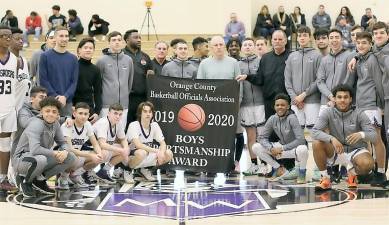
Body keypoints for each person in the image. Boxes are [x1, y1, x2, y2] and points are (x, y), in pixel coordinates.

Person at [312, 84, 376, 191]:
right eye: (339, 97)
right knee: (316, 143)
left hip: (355, 150)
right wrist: (331, 139)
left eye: (346, 97)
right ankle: (325, 178)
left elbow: (373, 134)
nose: (342, 100)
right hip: (336, 150)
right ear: (335, 99)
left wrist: (361, 134)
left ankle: (352, 175)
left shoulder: (359, 113)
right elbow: (314, 131)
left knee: (367, 164)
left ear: (351, 99)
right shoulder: (328, 112)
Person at [13, 97, 77, 197]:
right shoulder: (36, 123)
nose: (50, 114)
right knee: (41, 159)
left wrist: (64, 151)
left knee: (70, 157)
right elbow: (35, 149)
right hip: (22, 159)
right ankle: (25, 181)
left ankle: (39, 180)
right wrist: (55, 153)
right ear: (41, 112)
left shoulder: (55, 124)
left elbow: (63, 142)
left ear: (57, 114)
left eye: (54, 112)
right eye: (47, 111)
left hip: (38, 158)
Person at [197, 36, 243, 173]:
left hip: (231, 106)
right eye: (215, 45)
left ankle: (235, 163)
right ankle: (211, 163)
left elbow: (238, 84)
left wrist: (237, 103)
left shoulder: (234, 62)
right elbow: (200, 86)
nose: (218, 47)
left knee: (237, 134)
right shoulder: (204, 64)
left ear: (225, 47)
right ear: (211, 47)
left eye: (221, 44)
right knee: (212, 136)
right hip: (211, 107)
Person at [352, 31, 386, 187]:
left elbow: (379, 85)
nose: (360, 45)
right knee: (367, 141)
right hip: (361, 105)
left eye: (364, 43)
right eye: (358, 43)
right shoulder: (360, 59)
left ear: (370, 44)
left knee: (376, 140)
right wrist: (356, 56)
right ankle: (370, 172)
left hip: (372, 106)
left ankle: (380, 173)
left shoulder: (372, 59)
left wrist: (382, 106)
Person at [253, 93, 308, 183]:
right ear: (274, 107)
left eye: (283, 105)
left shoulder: (292, 118)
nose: (280, 107)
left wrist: (282, 148)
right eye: (277, 105)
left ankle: (302, 173)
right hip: (280, 150)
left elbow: (301, 139)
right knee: (255, 147)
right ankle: (278, 168)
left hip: (293, 150)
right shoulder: (272, 118)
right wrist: (271, 149)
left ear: (288, 106)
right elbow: (262, 137)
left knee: (303, 148)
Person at [236, 30, 289, 120]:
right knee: (271, 131)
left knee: (287, 130)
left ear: (285, 41)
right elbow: (260, 79)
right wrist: (247, 76)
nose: (277, 41)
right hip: (270, 102)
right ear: (271, 41)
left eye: (280, 39)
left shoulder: (292, 56)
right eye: (275, 39)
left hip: (287, 100)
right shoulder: (265, 58)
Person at [59, 102, 106, 189]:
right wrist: (91, 155)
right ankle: (63, 178)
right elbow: (69, 149)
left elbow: (95, 143)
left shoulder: (87, 124)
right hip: (62, 155)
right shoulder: (67, 125)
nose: (83, 116)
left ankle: (75, 175)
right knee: (73, 156)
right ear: (74, 114)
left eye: (85, 114)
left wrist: (99, 154)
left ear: (88, 115)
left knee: (100, 156)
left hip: (77, 154)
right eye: (80, 113)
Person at [237, 38, 266, 176]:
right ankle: (254, 164)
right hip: (246, 105)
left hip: (261, 103)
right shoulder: (237, 64)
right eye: (245, 45)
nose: (248, 47)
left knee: (262, 135)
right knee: (250, 135)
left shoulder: (261, 61)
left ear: (254, 47)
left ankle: (265, 164)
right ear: (241, 48)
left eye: (250, 44)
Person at [284, 26, 321, 130]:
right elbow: (287, 80)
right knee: (296, 133)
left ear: (310, 38)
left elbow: (319, 80)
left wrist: (303, 95)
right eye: (300, 36)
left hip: (312, 101)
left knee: (314, 133)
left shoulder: (317, 55)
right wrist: (295, 98)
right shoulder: (292, 56)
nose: (302, 38)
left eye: (305, 35)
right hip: (295, 102)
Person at [127, 101, 173, 181]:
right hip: (130, 156)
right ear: (140, 113)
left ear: (152, 114)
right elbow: (138, 145)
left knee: (168, 153)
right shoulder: (134, 125)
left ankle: (145, 169)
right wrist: (156, 151)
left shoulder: (154, 125)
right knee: (142, 152)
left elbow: (163, 143)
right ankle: (127, 170)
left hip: (146, 154)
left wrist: (161, 153)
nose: (148, 114)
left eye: (150, 112)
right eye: (145, 112)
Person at [96, 31, 134, 127]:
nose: (117, 42)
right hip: (106, 106)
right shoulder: (102, 60)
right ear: (109, 43)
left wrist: (124, 95)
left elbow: (130, 82)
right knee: (105, 132)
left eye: (119, 40)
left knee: (120, 134)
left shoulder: (128, 60)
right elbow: (97, 84)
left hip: (123, 106)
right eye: (113, 40)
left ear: (123, 42)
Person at [39, 26, 78, 117]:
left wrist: (65, 97)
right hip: (50, 102)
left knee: (65, 130)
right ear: (55, 38)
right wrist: (56, 96)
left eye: (66, 36)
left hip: (67, 102)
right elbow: (43, 80)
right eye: (61, 36)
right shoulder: (45, 56)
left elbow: (74, 82)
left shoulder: (73, 58)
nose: (64, 39)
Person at [317, 28, 355, 117]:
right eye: (331, 37)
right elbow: (320, 81)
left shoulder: (349, 56)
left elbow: (349, 80)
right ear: (328, 40)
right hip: (326, 102)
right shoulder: (324, 59)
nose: (334, 40)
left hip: (342, 102)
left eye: (337, 37)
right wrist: (330, 96)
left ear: (341, 39)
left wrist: (337, 98)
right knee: (323, 130)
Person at [0, 25, 19, 191]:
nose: (8, 38)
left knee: (5, 145)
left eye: (9, 36)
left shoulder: (15, 60)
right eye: (4, 36)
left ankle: (3, 178)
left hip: (8, 108)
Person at [93, 103, 131, 184]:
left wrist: (126, 148)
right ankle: (86, 172)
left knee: (124, 149)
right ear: (109, 113)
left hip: (101, 149)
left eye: (120, 114)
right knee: (105, 153)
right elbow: (102, 144)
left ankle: (104, 171)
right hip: (89, 148)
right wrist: (121, 150)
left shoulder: (118, 123)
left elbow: (123, 139)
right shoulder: (103, 123)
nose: (118, 116)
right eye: (115, 113)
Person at [123, 29, 153, 126]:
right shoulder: (121, 55)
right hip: (127, 98)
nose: (139, 40)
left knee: (140, 125)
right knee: (126, 125)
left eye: (140, 38)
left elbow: (151, 76)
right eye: (135, 38)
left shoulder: (145, 56)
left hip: (142, 98)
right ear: (127, 40)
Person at [73, 38, 102, 124]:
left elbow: (98, 92)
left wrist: (97, 112)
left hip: (89, 109)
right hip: (74, 108)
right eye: (85, 48)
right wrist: (71, 106)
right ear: (79, 50)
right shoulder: (73, 67)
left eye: (91, 48)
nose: (88, 50)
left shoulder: (95, 69)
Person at [9, 28, 31, 111]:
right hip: (11, 109)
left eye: (22, 39)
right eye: (17, 39)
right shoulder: (6, 61)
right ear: (9, 40)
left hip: (24, 108)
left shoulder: (25, 61)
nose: (21, 41)